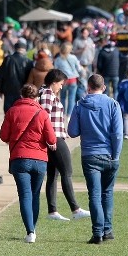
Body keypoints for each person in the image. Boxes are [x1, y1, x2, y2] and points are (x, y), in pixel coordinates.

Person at [67, 74, 123, 244]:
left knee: (95, 194)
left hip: (90, 154)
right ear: (104, 87)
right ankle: (107, 229)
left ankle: (97, 232)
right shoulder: (112, 104)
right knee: (108, 193)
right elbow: (118, 134)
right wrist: (116, 154)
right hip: (109, 154)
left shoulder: (80, 105)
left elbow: (72, 131)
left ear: (88, 87)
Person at [0, 84, 55, 243]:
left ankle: (30, 231)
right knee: (35, 194)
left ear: (21, 95)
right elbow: (51, 139)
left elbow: (4, 136)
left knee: (25, 195)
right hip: (39, 159)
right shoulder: (42, 113)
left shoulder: (12, 111)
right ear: (37, 97)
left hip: (20, 158)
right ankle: (33, 228)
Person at [38, 69, 90, 222]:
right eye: (60, 84)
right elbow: (44, 117)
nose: (61, 87)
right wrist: (51, 139)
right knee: (67, 171)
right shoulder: (47, 93)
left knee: (53, 175)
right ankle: (75, 209)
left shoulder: (45, 92)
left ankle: (52, 211)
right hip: (54, 138)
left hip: (53, 138)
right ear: (54, 82)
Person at [0, 37, 32, 112]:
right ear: (24, 49)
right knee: (21, 113)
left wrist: (0, 90)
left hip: (8, 89)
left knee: (8, 113)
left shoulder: (8, 59)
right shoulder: (28, 61)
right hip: (23, 91)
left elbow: (1, 75)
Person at [54, 42, 82, 119]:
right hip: (73, 80)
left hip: (63, 80)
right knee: (71, 98)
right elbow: (79, 69)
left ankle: (62, 114)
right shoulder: (73, 57)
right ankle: (69, 115)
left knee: (62, 97)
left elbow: (55, 70)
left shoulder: (58, 59)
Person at [94, 33, 120, 99]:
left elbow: (99, 65)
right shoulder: (116, 50)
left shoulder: (102, 52)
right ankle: (115, 105)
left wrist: (101, 71)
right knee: (116, 91)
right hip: (115, 74)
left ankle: (106, 105)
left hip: (105, 74)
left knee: (106, 91)